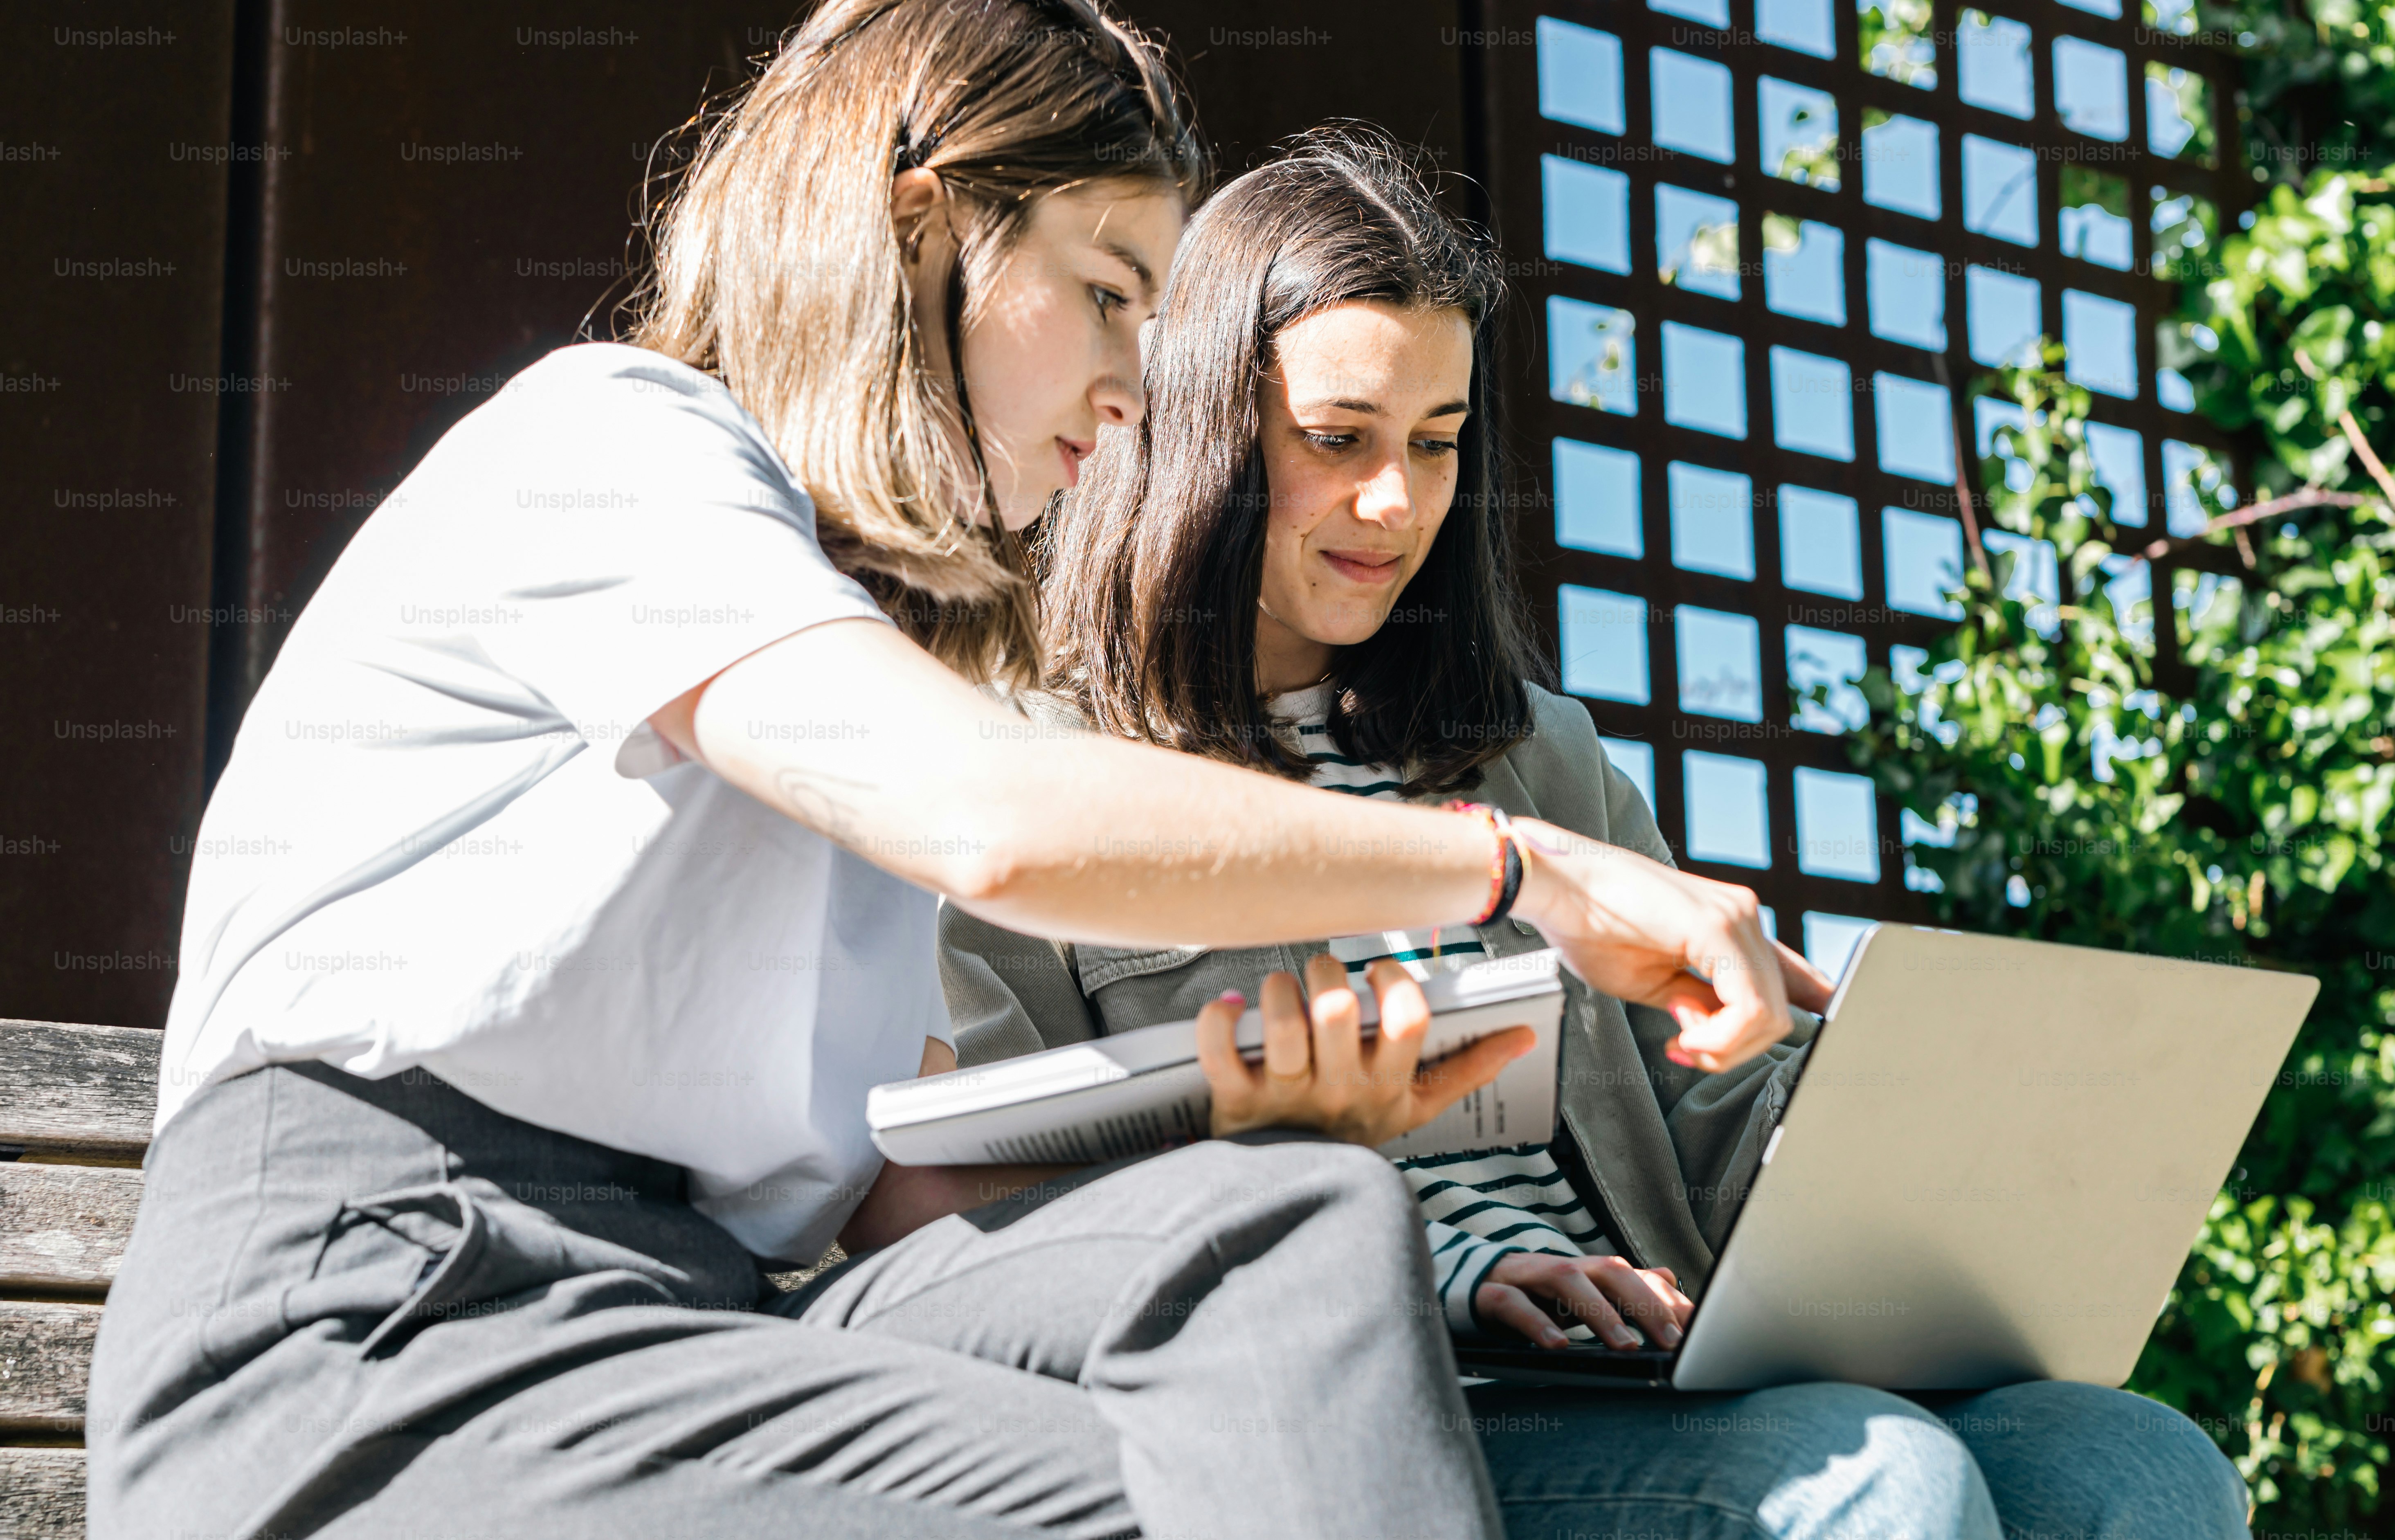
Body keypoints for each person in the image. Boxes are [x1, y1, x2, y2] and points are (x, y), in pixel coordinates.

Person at [83, 7, 1824, 1540]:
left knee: (1290, 1227)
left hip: (698, 1326)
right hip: (385, 1323)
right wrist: (1525, 874)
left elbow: (908, 1183)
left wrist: (1258, 1106)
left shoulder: (850, 656)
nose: (1140, 391)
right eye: (1107, 297)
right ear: (927, 224)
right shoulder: (613, 442)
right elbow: (998, 822)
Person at [942, 128, 2255, 1539]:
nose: (1398, 505)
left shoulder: (1536, 757)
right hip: (1383, 1404)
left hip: (1647, 1361)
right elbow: (1004, 1227)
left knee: (2141, 1461)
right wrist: (1440, 1275)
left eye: (1438, 446)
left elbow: (1705, 1118)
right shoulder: (1034, 775)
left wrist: (1902, 1120)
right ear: (1200, 424)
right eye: (1340, 441)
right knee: (1884, 1479)